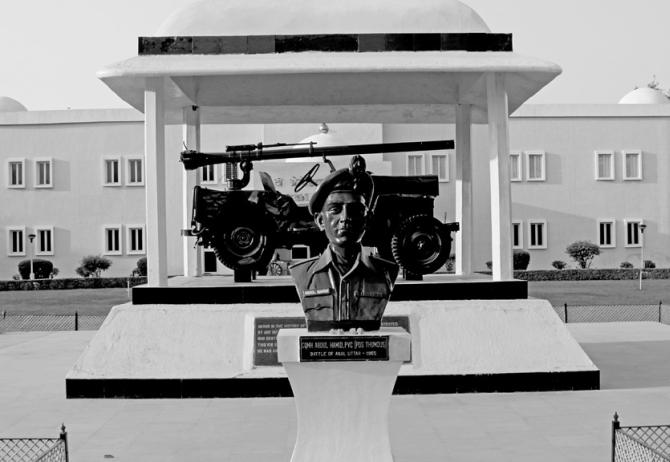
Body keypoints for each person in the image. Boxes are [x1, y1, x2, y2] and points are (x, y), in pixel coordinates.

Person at [290, 156, 399, 332]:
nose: (345, 218)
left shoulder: (386, 273)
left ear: (367, 219)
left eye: (355, 210)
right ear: (320, 220)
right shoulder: (302, 274)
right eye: (335, 209)